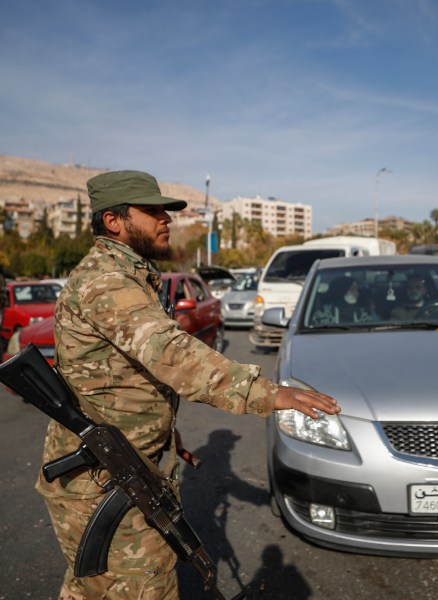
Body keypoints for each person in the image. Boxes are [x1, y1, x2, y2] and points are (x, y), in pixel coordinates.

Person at [35, 170, 340, 600]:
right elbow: (172, 354)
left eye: (165, 210)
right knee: (140, 590)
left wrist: (164, 432)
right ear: (114, 222)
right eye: (153, 211)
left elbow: (121, 379)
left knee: (93, 590)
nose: (166, 219)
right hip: (99, 476)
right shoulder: (106, 281)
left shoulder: (129, 275)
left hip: (117, 465)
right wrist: (267, 393)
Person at [311, 276, 375, 325]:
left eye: (357, 289)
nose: (357, 293)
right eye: (352, 289)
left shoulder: (362, 313)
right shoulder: (324, 312)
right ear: (341, 291)